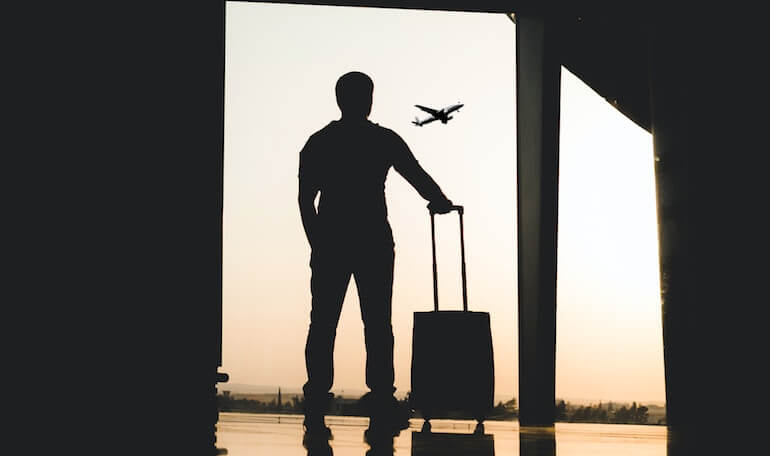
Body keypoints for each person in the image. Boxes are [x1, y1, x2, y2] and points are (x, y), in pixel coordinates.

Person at [298, 71, 453, 436]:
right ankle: (382, 399)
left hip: (332, 241)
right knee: (378, 325)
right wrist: (440, 200)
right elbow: (414, 173)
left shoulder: (319, 143)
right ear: (368, 100)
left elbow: (306, 200)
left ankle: (317, 402)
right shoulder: (382, 140)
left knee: (323, 325)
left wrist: (317, 243)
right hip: (373, 242)